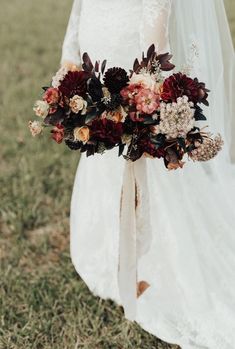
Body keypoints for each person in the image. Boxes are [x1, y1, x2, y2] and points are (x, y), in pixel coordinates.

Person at [60, 0, 235, 348]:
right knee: (107, 152)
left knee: (150, 164)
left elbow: (157, 13)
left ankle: (155, 263)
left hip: (133, 49)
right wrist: (70, 54)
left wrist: (150, 78)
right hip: (96, 46)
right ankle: (118, 254)